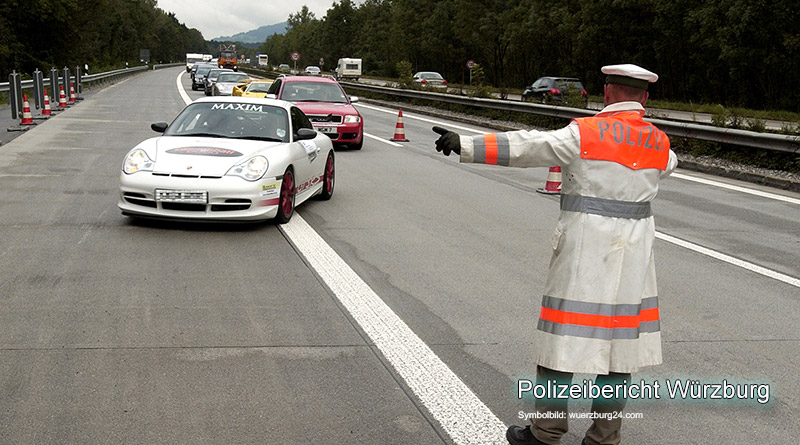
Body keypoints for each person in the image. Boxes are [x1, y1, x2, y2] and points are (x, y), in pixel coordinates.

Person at [433, 64, 678, 445]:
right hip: (632, 263)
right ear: (645, 97)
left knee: (560, 343)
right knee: (618, 353)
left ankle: (545, 433)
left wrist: (465, 143)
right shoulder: (660, 144)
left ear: (607, 91)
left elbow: (529, 147)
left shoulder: (585, 133)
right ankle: (603, 439)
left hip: (583, 254)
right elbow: (668, 166)